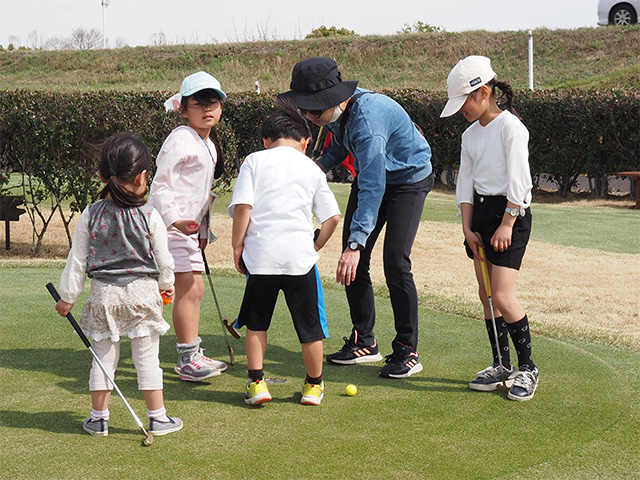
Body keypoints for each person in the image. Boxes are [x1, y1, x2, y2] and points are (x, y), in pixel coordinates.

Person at [278, 57, 434, 379]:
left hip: (409, 180)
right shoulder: (337, 113)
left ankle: (407, 349)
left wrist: (355, 242)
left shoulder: (367, 120)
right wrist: (312, 169)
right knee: (354, 264)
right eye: (305, 109)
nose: (309, 116)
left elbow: (373, 186)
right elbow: (338, 147)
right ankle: (365, 341)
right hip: (375, 177)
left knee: (394, 261)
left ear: (335, 99)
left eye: (314, 111)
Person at [54, 132, 183, 437]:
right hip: (143, 293)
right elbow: (165, 261)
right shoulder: (150, 215)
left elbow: (78, 260)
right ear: (142, 177)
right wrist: (167, 285)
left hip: (104, 296)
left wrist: (67, 297)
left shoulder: (91, 214)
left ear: (101, 175)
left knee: (102, 359)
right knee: (147, 360)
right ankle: (158, 417)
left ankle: (99, 419)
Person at [440, 55, 539, 401]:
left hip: (509, 214)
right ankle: (502, 365)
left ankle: (527, 369)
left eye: (464, 101)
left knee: (502, 295)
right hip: (480, 216)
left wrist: (508, 223)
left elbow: (521, 182)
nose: (461, 110)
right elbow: (465, 183)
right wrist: (467, 228)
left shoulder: (511, 127)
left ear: (483, 92)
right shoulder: (470, 135)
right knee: (486, 296)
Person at [229, 100, 341, 406]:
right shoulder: (312, 168)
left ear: (266, 141)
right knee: (309, 328)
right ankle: (314, 386)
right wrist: (315, 245)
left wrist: (237, 245)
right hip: (300, 260)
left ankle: (257, 384)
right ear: (305, 142)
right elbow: (332, 218)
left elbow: (243, 208)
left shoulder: (254, 161)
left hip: (261, 256)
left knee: (257, 323)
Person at [148, 71, 228, 382]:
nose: (208, 108)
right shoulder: (181, 137)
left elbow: (203, 193)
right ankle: (186, 359)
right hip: (170, 228)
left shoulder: (208, 144)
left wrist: (203, 231)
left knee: (196, 288)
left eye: (214, 102)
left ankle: (192, 353)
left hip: (189, 230)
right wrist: (175, 220)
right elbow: (161, 185)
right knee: (187, 287)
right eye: (199, 103)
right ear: (183, 108)